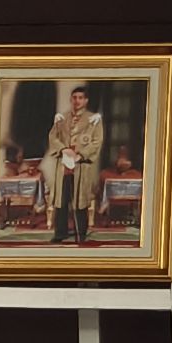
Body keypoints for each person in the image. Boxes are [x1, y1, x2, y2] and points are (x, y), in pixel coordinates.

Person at [42, 85, 103, 242]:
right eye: (75, 98)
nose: (77, 101)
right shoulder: (62, 118)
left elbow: (96, 141)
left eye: (80, 98)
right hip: (63, 164)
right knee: (61, 200)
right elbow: (53, 137)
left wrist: (80, 155)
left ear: (86, 100)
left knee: (79, 200)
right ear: (71, 99)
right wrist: (63, 149)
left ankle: (80, 233)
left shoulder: (93, 120)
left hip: (81, 165)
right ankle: (60, 233)